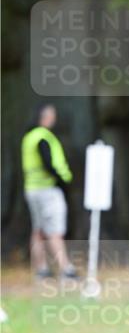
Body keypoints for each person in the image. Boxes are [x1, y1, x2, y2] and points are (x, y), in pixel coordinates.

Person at [21, 104, 77, 279]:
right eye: (51, 115)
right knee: (55, 231)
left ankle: (41, 269)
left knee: (38, 231)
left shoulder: (28, 137)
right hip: (48, 190)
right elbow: (49, 163)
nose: (54, 118)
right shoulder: (43, 137)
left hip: (31, 189)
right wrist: (62, 180)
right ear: (44, 117)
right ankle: (65, 269)